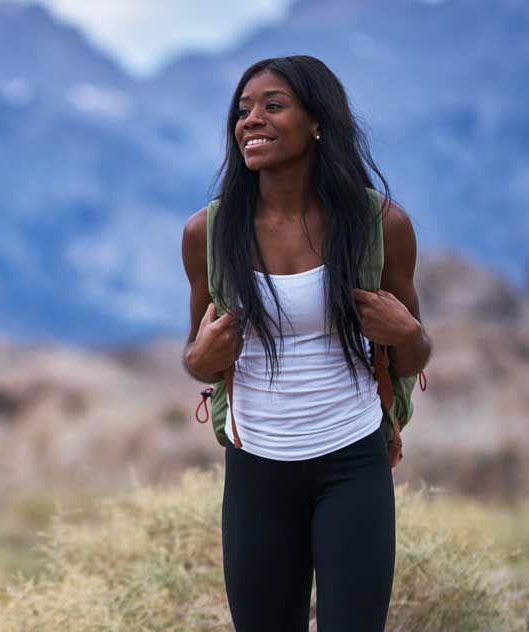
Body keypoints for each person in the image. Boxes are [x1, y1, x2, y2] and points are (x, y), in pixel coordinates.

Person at [179, 55, 432, 631]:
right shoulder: (209, 234)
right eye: (243, 111)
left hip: (352, 462)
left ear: (317, 121)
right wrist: (201, 358)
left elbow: (413, 356)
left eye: (272, 106)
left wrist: (409, 335)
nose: (251, 121)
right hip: (255, 470)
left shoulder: (380, 225)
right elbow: (198, 360)